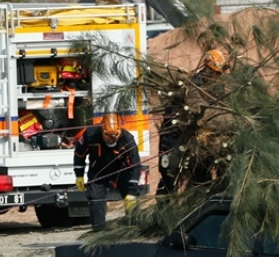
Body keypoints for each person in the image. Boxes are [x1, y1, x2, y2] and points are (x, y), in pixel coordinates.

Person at [157, 48, 227, 192]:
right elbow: (197, 108)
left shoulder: (218, 86)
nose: (215, 76)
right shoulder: (192, 85)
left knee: (202, 174)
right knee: (169, 175)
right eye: (213, 71)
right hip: (176, 135)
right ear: (206, 68)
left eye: (217, 73)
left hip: (202, 138)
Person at [73, 112, 142, 231]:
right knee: (95, 198)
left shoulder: (127, 139)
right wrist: (79, 176)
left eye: (115, 136)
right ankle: (98, 229)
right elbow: (79, 155)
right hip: (98, 170)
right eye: (108, 136)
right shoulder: (90, 135)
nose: (111, 139)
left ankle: (134, 227)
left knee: (132, 197)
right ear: (102, 130)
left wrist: (131, 191)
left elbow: (135, 165)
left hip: (121, 169)